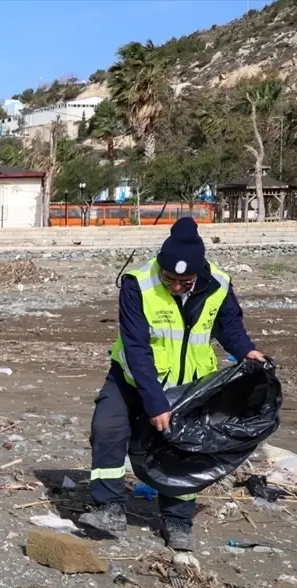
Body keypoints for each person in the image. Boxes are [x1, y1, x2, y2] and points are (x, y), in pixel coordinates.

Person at [80, 217, 264, 551]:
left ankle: (178, 521)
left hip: (189, 385)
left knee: (184, 449)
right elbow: (135, 346)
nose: (176, 286)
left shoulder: (219, 285)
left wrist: (246, 350)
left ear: (198, 274)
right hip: (133, 379)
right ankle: (109, 508)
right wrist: (154, 401)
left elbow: (229, 327)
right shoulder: (138, 284)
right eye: (170, 280)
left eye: (184, 281)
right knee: (108, 427)